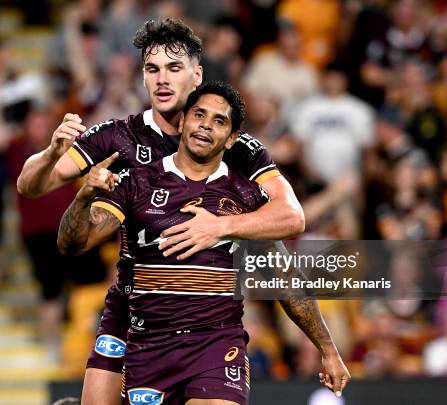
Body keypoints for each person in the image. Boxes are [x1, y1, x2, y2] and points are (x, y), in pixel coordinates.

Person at [17, 18, 320, 405]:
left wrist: (220, 227)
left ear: (196, 75)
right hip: (132, 307)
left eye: (173, 69)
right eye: (152, 68)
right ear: (142, 77)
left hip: (205, 316)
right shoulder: (117, 136)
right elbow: (31, 186)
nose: (162, 79)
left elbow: (291, 215)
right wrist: (50, 153)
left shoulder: (235, 145)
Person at [59, 82, 349, 404]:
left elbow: (285, 278)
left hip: (217, 344)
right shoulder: (137, 182)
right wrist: (84, 197)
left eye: (219, 121)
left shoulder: (246, 198)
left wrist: (328, 350)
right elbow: (74, 243)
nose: (206, 126)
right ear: (182, 121)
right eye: (199, 115)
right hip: (149, 345)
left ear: (232, 139)